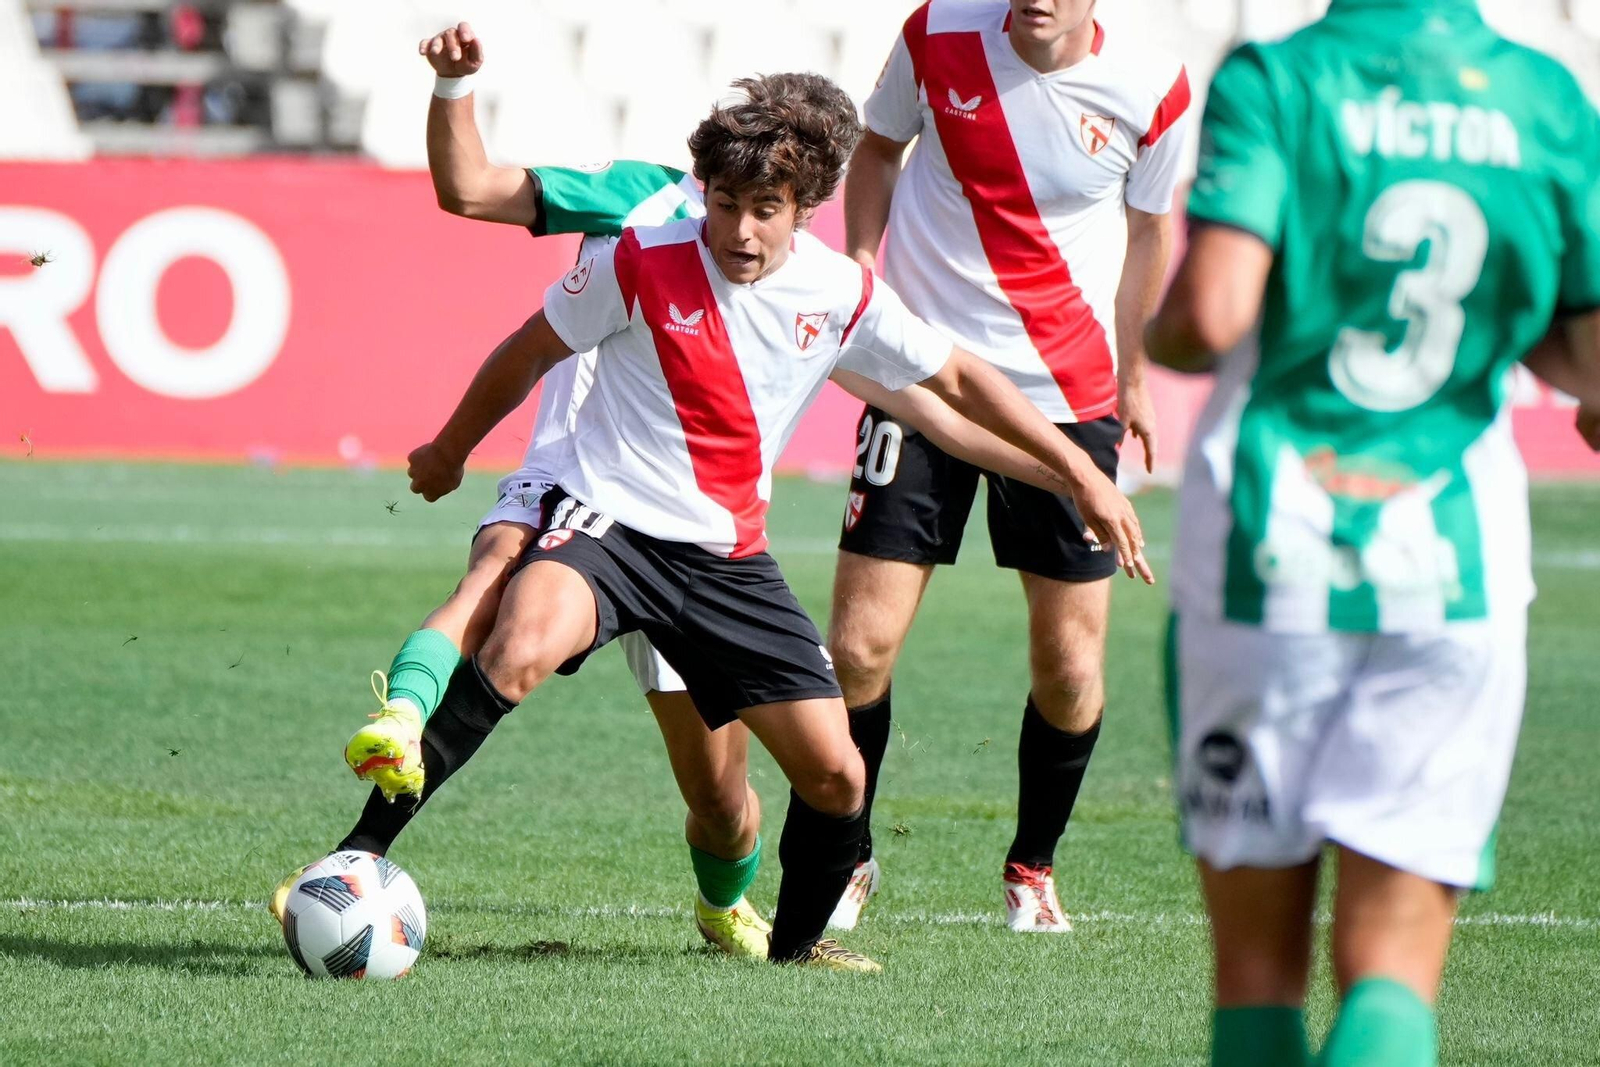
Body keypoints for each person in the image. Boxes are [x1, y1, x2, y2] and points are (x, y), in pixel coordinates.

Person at [277, 27, 1118, 963]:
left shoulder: (837, 294)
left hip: (724, 563)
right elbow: (525, 339)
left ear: (805, 207)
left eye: (765, 210)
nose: (741, 231)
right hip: (603, 526)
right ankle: (358, 852)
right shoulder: (641, 244)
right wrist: (449, 448)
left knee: (814, 781)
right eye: (726, 205)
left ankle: (789, 946)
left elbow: (949, 384)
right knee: (514, 641)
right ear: (706, 185)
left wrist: (1077, 472)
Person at [1145, 0, 1600, 1062]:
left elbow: (1209, 316)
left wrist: (1149, 331)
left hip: (1266, 556)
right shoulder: (1543, 98)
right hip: (1451, 569)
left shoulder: (1277, 78)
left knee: (1256, 978)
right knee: (1392, 969)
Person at [826, 0, 1185, 932]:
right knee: (857, 647)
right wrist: (860, 267)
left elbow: (1150, 231)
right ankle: (846, 855)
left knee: (1069, 664)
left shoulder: (1153, 86)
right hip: (921, 375)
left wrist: (1134, 375)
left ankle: (1032, 866)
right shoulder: (937, 32)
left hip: (1067, 398)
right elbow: (877, 149)